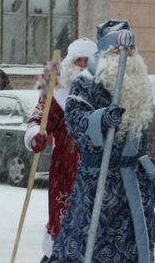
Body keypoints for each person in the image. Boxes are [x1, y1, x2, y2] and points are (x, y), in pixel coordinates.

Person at [49, 20, 155, 263]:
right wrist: (100, 119)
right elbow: (74, 121)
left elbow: (146, 132)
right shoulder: (86, 82)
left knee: (133, 246)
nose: (126, 56)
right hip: (99, 183)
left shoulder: (140, 84)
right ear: (107, 52)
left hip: (133, 184)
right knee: (91, 245)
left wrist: (152, 168)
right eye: (119, 50)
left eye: (130, 50)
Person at [23, 37, 96, 262]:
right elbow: (38, 119)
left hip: (96, 167)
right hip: (65, 166)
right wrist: (36, 135)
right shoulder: (56, 92)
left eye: (87, 60)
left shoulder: (103, 91)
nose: (82, 65)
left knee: (93, 219)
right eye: (78, 60)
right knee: (63, 217)